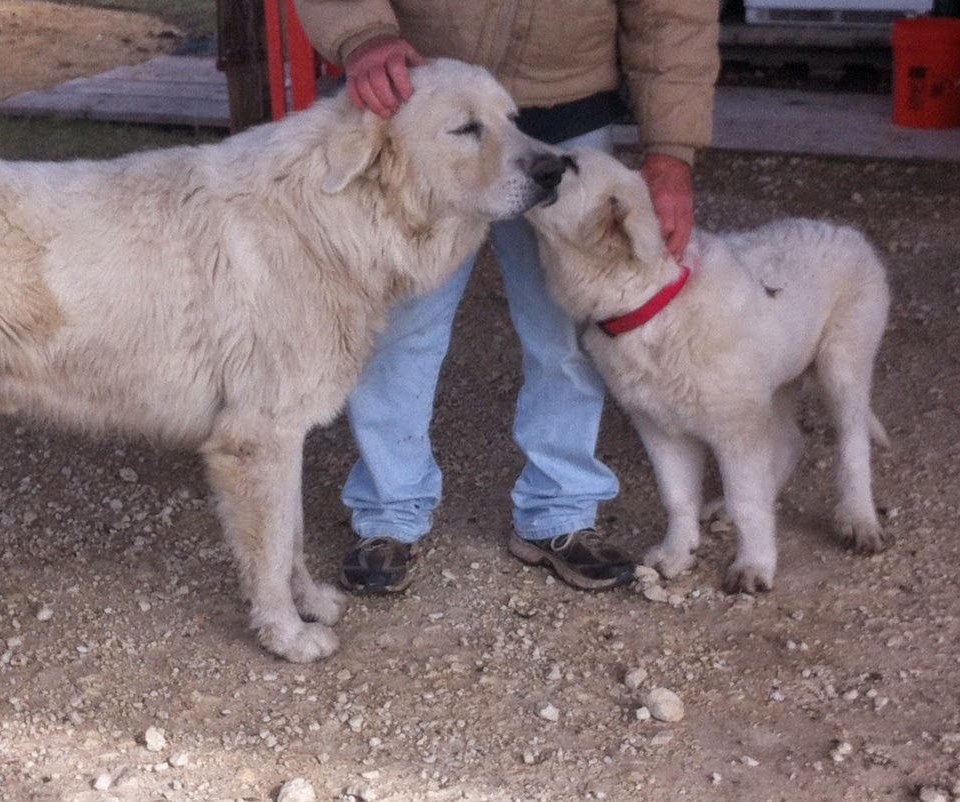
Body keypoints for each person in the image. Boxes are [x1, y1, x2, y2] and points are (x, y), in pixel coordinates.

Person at [296, 0, 720, 594]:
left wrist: (672, 149)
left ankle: (561, 511)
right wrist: (361, 32)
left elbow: (673, 11)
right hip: (426, 107)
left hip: (567, 105)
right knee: (400, 328)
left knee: (566, 334)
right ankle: (388, 513)